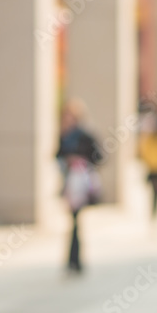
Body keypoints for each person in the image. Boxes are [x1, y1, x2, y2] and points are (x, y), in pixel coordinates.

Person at [56, 98, 102, 274]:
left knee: (76, 221)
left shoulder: (84, 135)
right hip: (69, 182)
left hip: (82, 184)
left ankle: (75, 259)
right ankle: (72, 259)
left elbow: (99, 156)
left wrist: (82, 161)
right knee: (73, 221)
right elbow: (57, 155)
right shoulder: (64, 135)